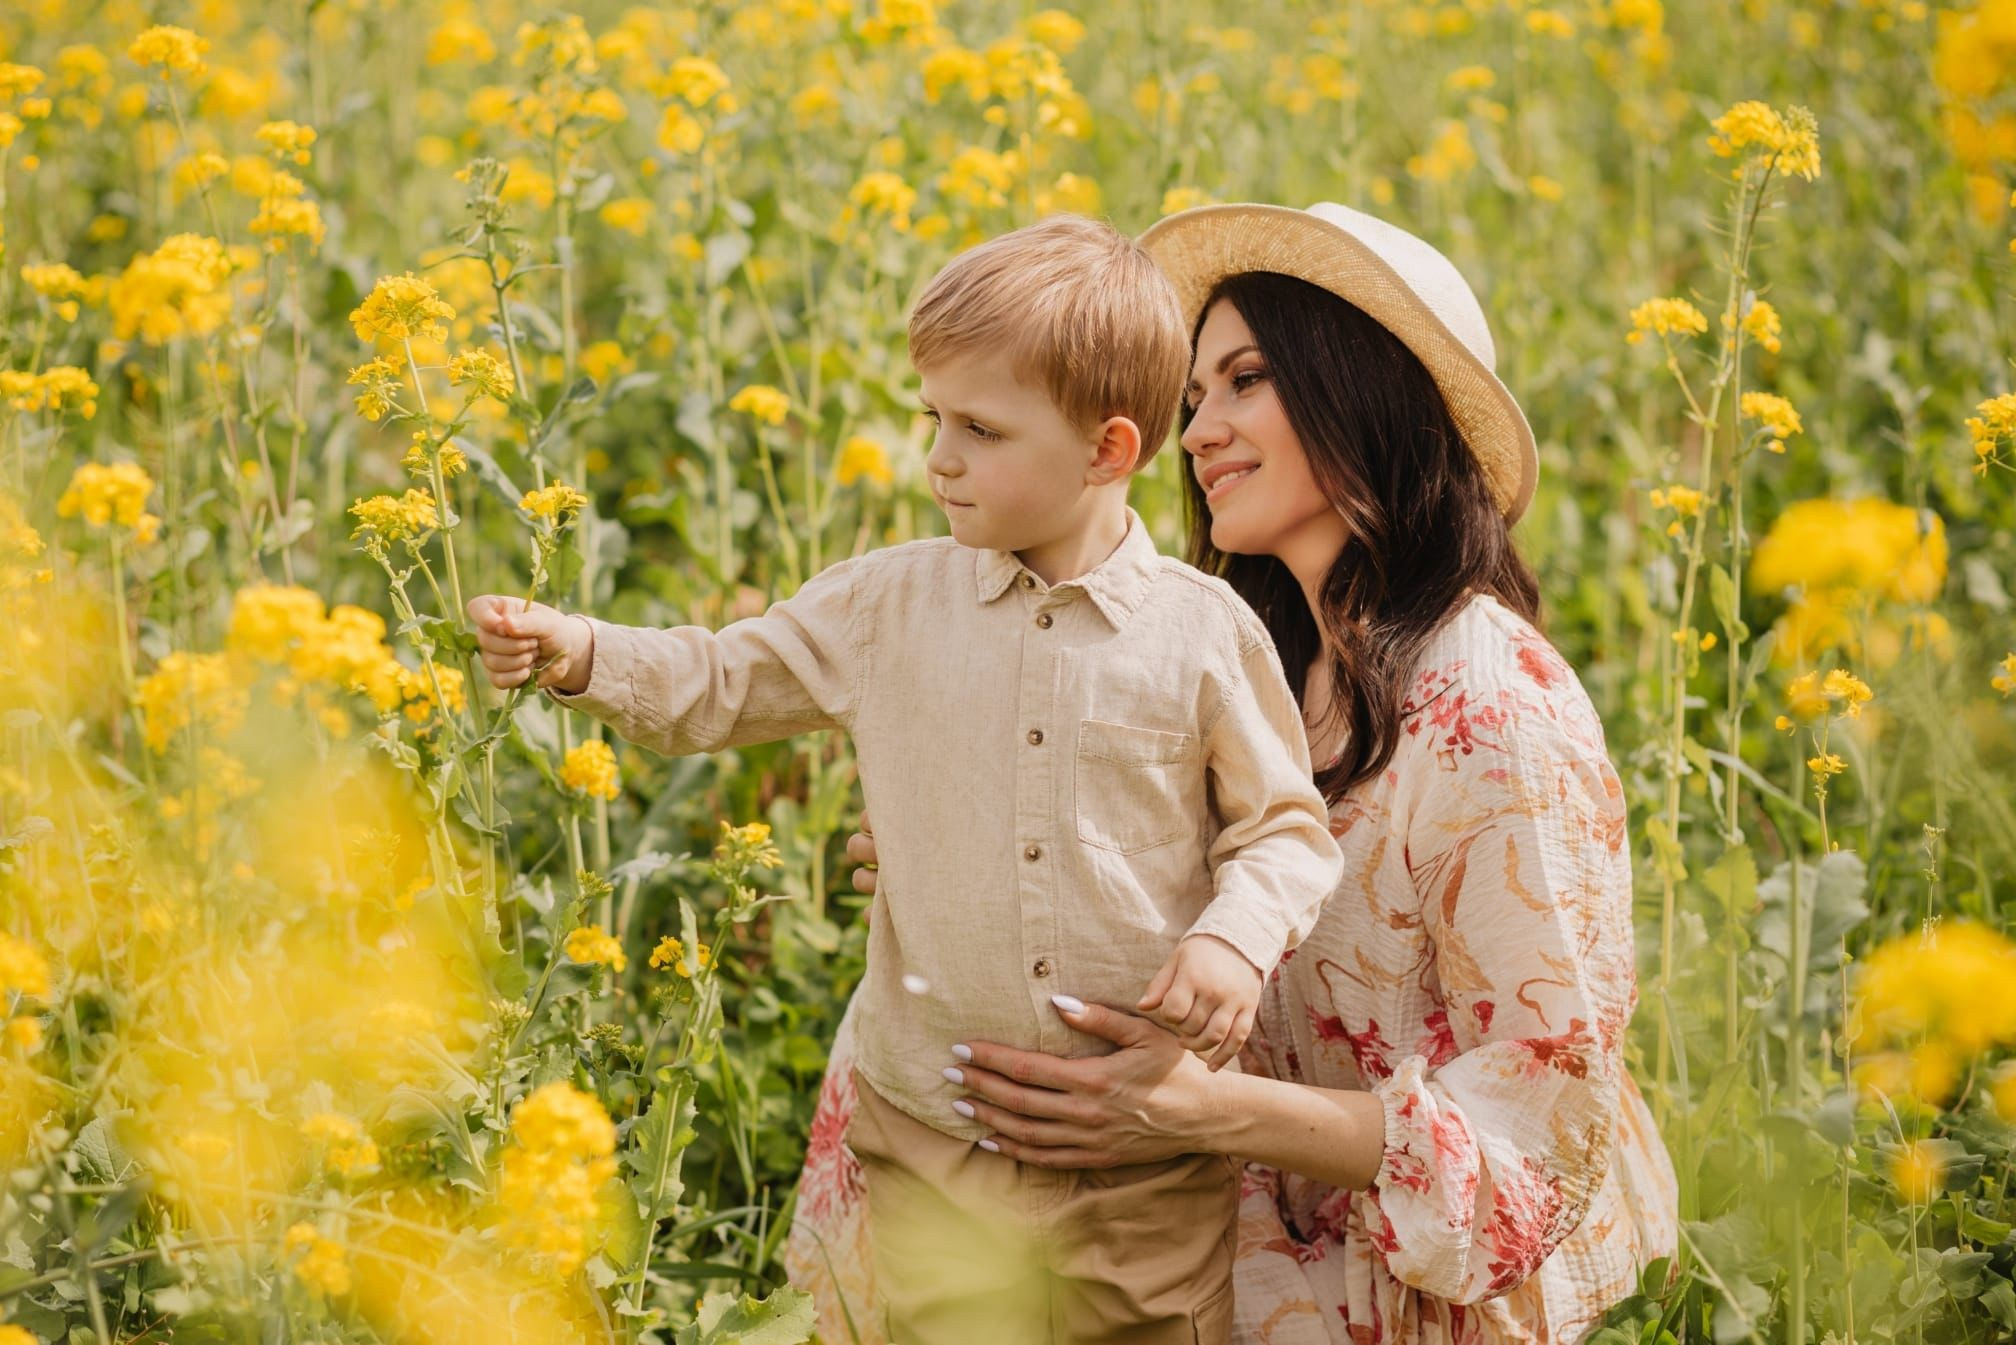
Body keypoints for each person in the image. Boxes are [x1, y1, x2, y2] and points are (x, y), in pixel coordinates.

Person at [784, 202, 1679, 1344]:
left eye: (1246, 378)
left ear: (1363, 384)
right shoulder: (1244, 653)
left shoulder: (1496, 704)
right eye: (1194, 396)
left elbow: (1544, 1129)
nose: (1199, 428)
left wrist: (1204, 1110)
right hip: (1163, 1233)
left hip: (1380, 1282)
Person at [467, 213, 1345, 1344]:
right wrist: (582, 650)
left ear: (1108, 451)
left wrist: (1234, 938)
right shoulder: (888, 603)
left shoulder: (1202, 631)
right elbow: (725, 679)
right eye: (931, 416)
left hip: (1141, 1156)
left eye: (980, 428)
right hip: (935, 1124)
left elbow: (1283, 826)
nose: (939, 456)